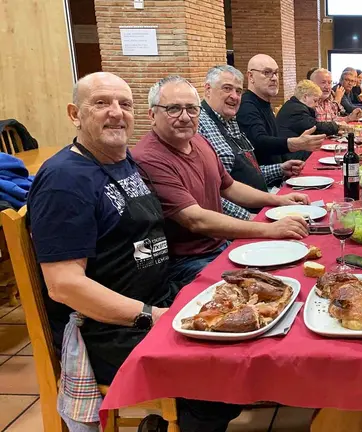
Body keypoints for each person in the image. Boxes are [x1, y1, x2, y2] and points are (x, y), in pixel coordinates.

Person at [28, 72, 243, 431]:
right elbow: (63, 285)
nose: (116, 113)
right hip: (110, 330)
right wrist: (152, 316)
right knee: (218, 370)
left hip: (162, 298)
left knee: (246, 323)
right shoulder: (65, 181)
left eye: (124, 104)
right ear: (74, 113)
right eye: (101, 103)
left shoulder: (123, 161)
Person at [133, 75, 311, 293]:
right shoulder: (149, 158)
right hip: (188, 262)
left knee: (294, 264)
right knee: (271, 290)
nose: (185, 116)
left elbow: (229, 187)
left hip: (222, 245)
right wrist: (269, 228)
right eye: (173, 109)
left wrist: (278, 200)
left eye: (192, 109)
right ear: (152, 115)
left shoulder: (197, 140)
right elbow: (196, 220)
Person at [198, 65, 305, 220]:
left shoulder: (230, 120)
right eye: (227, 89)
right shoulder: (200, 127)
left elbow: (246, 173)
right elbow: (212, 195)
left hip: (262, 204)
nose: (234, 96)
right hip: (239, 220)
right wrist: (251, 219)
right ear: (208, 89)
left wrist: (280, 169)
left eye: (238, 91)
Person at [237, 54, 325, 165]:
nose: (274, 78)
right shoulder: (247, 104)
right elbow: (258, 141)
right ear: (250, 76)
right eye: (266, 72)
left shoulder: (264, 103)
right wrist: (294, 144)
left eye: (276, 73)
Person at [277, 79, 341, 140]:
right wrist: (337, 126)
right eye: (315, 101)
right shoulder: (297, 110)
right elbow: (314, 127)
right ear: (305, 97)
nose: (316, 105)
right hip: (291, 150)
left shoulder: (294, 105)